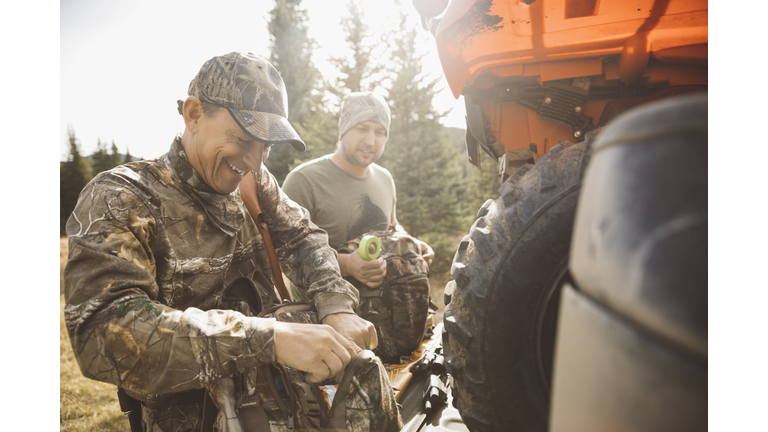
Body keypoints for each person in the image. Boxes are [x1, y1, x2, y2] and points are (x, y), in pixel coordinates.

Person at [63, 52, 378, 431]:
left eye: (267, 145)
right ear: (194, 114)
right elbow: (102, 332)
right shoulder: (122, 197)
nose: (255, 160)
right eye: (245, 138)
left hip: (288, 402)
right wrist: (270, 339)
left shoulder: (254, 182)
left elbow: (303, 238)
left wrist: (336, 305)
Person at [282, 92, 434, 302]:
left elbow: (391, 225)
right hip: (322, 319)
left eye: (380, 132)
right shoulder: (304, 180)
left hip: (383, 316)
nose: (371, 141)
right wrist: (347, 265)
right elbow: (285, 256)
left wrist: (411, 243)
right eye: (362, 128)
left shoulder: (385, 178)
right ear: (343, 128)